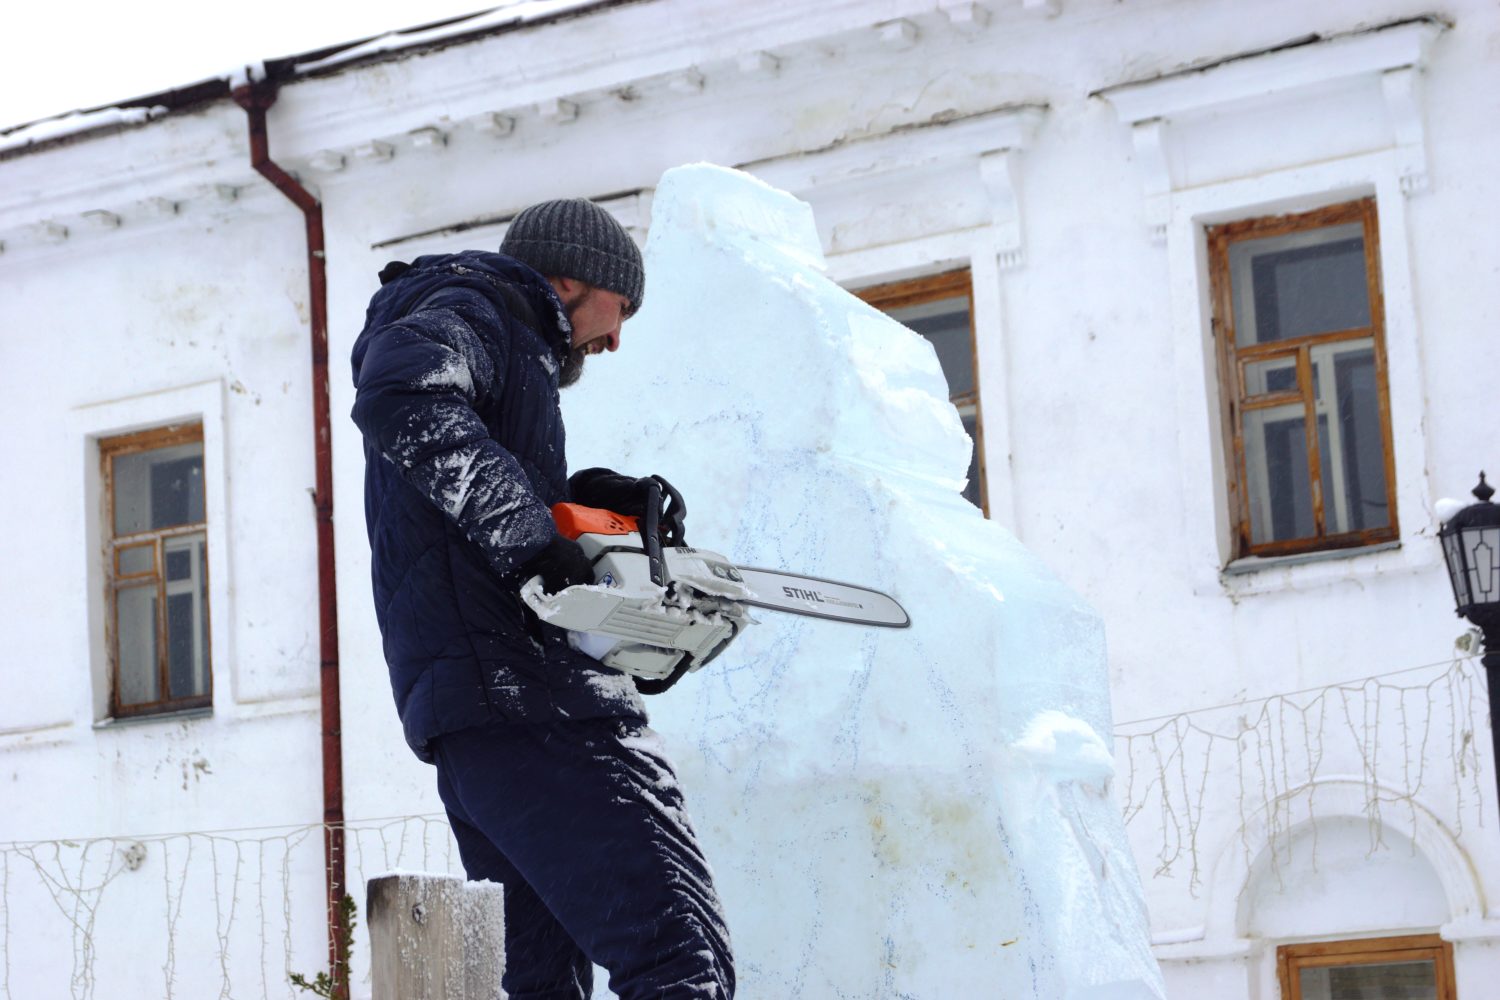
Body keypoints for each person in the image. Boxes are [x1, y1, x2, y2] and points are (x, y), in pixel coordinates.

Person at [350, 198, 734, 999]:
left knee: (542, 984)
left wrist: (584, 503)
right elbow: (403, 396)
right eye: (618, 308)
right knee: (678, 956)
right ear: (568, 279)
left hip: (478, 719)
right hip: (528, 705)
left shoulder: (491, 334)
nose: (617, 336)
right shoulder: (477, 309)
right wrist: (533, 539)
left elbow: (466, 499)